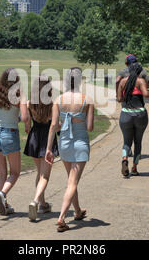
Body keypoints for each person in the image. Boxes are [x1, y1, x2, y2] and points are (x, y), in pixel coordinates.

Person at [45, 67, 94, 232]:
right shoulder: (87, 100)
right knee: (72, 182)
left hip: (64, 143)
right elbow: (90, 127)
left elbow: (54, 126)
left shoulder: (58, 100)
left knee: (71, 180)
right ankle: (62, 218)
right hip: (80, 143)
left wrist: (48, 148)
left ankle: (78, 211)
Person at [0, 68, 29, 215]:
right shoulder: (18, 95)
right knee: (15, 172)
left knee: (2, 173)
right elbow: (25, 117)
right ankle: (2, 195)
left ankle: (3, 205)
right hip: (9, 134)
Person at [24, 75, 59, 221]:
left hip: (34, 138)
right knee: (45, 176)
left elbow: (27, 126)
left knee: (39, 173)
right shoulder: (52, 104)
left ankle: (43, 204)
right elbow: (55, 126)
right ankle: (36, 201)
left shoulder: (29, 103)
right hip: (47, 140)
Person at [117, 63, 149, 177]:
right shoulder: (140, 81)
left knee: (126, 142)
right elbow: (145, 94)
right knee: (138, 142)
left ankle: (124, 159)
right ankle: (134, 167)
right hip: (140, 114)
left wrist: (126, 97)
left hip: (125, 114)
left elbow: (119, 99)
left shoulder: (123, 82)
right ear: (139, 72)